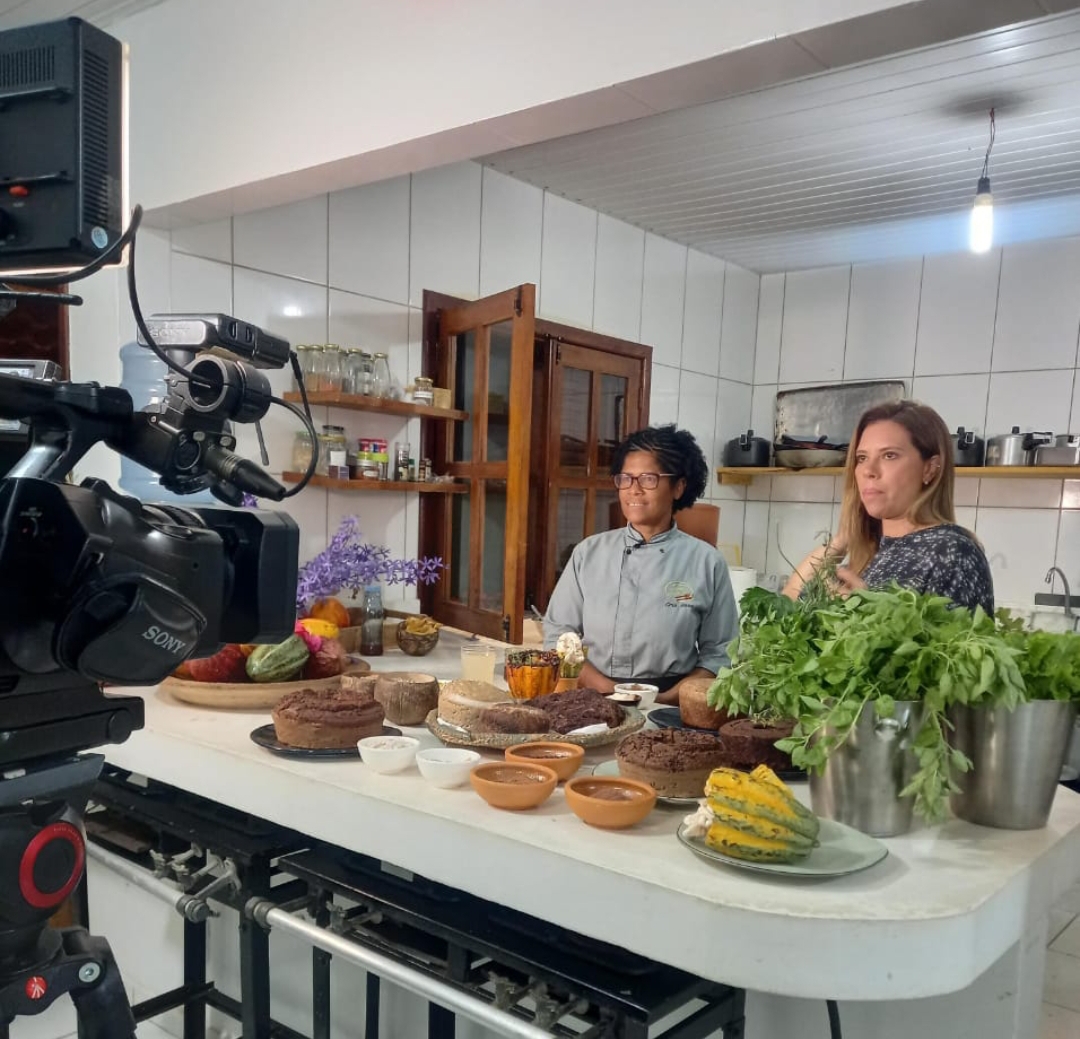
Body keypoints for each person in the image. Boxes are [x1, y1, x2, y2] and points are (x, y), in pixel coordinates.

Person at [543, 425, 738, 705]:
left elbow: (720, 652)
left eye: (648, 479)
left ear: (679, 486)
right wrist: (607, 689)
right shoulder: (588, 552)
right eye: (625, 478)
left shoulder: (707, 562)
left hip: (673, 703)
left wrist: (669, 698)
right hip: (592, 696)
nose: (634, 490)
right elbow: (558, 634)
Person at [783, 400, 994, 613]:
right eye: (862, 458)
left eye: (889, 455)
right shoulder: (873, 553)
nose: (869, 470)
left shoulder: (950, 552)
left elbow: (954, 645)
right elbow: (788, 605)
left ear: (930, 468)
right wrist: (843, 539)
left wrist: (865, 617)